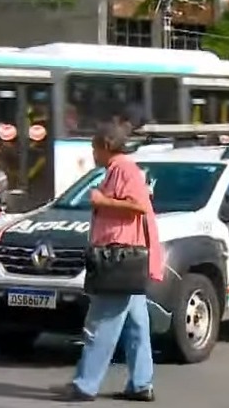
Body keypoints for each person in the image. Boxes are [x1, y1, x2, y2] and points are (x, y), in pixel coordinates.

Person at [60, 123, 163, 403]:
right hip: (126, 258)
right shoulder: (119, 169)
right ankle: (141, 384)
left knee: (101, 323)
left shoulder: (124, 169)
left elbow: (138, 205)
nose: (93, 154)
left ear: (106, 146)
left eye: (94, 148)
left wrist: (101, 200)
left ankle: (84, 385)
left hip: (119, 258)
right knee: (135, 325)